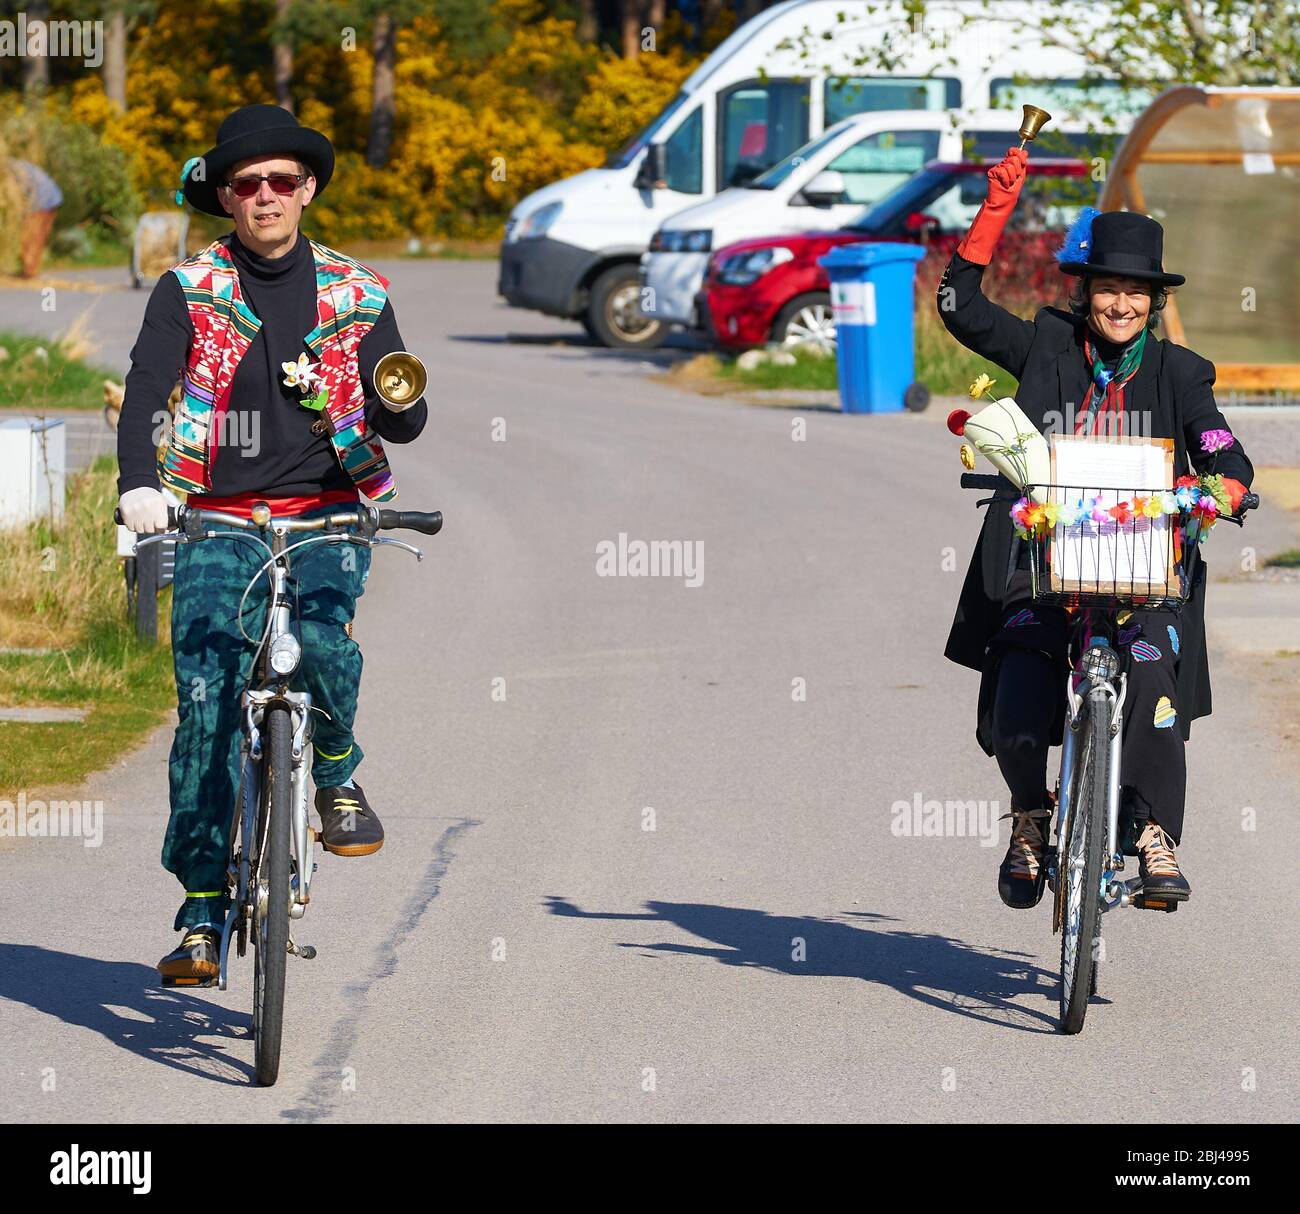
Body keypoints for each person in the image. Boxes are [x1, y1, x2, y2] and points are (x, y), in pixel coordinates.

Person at [116, 104, 428, 982]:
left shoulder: (359, 293)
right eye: (246, 184)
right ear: (226, 196)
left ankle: (335, 772)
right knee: (209, 703)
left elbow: (404, 414)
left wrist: (398, 405)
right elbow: (145, 392)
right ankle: (202, 912)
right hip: (217, 513)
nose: (265, 196)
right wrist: (139, 485)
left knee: (323, 641)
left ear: (308, 190)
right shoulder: (188, 290)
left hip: (328, 509)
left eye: (281, 181)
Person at [937, 147, 1253, 911]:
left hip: (1145, 574)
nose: (1121, 304)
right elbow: (959, 308)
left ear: (1154, 300)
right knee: (1018, 676)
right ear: (1087, 293)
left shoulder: (1181, 376)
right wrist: (995, 212)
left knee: (1148, 667)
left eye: (1135, 292)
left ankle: (1150, 836)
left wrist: (1226, 487)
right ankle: (1030, 817)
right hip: (1047, 568)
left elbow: (1221, 449)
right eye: (1108, 288)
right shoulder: (1047, 346)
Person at [11, 159, 63, 278]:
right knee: (34, 235)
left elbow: (25, 191)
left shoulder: (15, 170)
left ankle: (29, 271)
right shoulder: (16, 166)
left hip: (43, 200)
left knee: (32, 235)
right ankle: (29, 270)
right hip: (49, 197)